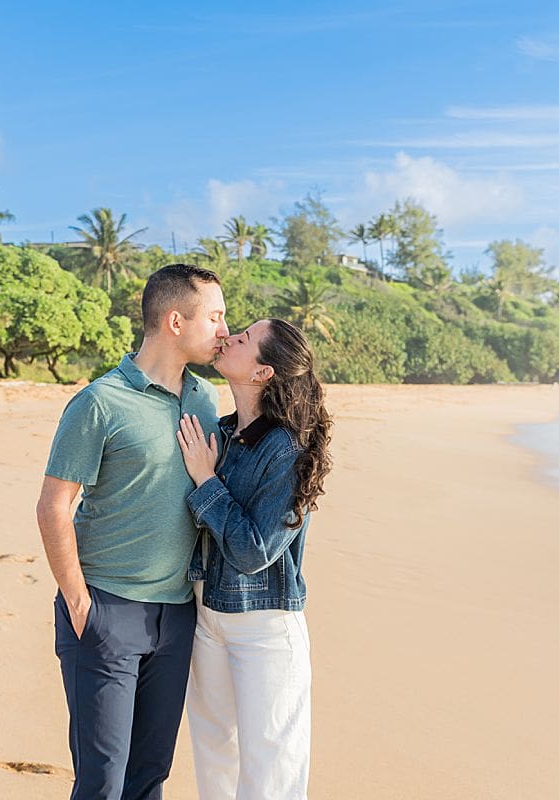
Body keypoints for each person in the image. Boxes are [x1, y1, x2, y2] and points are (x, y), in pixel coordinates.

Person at [36, 263, 229, 800]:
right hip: (106, 611)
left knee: (149, 777)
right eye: (214, 316)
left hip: (176, 615)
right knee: (102, 781)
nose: (224, 329)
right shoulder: (100, 402)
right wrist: (79, 603)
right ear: (174, 320)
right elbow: (54, 505)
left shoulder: (204, 401)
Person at [175, 318, 333, 800]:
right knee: (214, 755)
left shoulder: (286, 449)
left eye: (243, 338)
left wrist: (206, 483)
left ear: (264, 372)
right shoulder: (219, 433)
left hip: (264, 627)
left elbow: (253, 552)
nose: (229, 336)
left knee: (272, 772)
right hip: (207, 614)